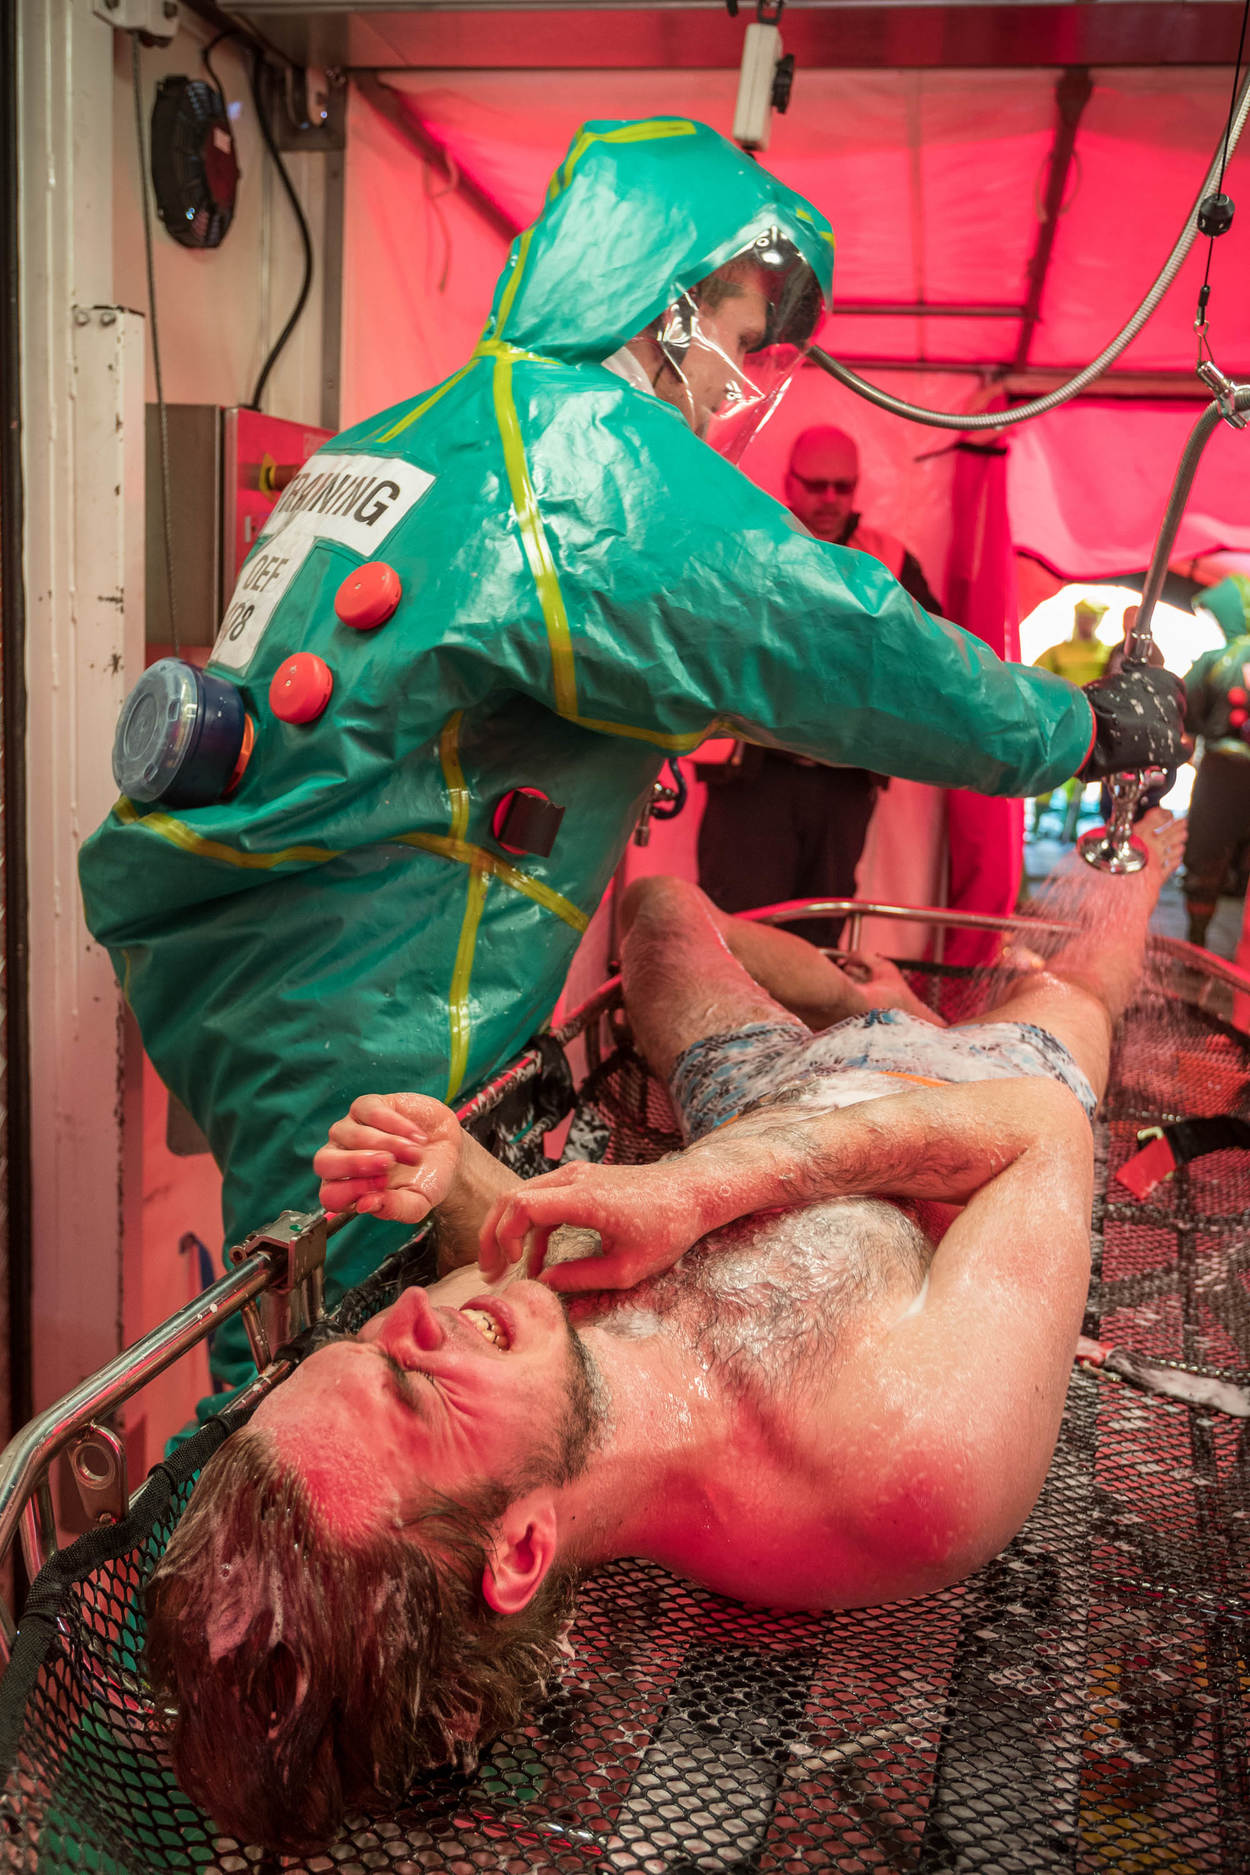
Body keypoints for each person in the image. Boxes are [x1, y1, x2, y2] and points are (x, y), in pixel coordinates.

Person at [78, 117, 1182, 1409]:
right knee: (330, 1381)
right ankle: (228, 1538)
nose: (735, 383)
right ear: (666, 304)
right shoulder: (581, 463)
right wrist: (1080, 728)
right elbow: (836, 641)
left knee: (292, 1321)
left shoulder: (409, 431)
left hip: (246, 963)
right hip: (368, 992)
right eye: (738, 333)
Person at [143, 809, 1186, 1853]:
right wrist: (694, 1188)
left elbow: (514, 1257)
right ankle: (1153, 833)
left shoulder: (510, 1376)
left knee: (658, 910)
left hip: (768, 1095)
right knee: (1079, 975)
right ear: (521, 1549)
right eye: (408, 1382)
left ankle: (862, 997)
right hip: (984, 1090)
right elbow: (1040, 1132)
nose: (414, 1312)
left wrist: (453, 1169)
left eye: (366, 1344)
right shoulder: (902, 1468)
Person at [697, 424, 942, 945]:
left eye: (842, 486)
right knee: (738, 931)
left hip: (842, 781)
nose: (829, 498)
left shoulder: (892, 561)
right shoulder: (747, 544)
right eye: (816, 484)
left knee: (821, 938)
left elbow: (935, 660)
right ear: (790, 481)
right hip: (754, 776)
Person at [1180, 575, 1250, 946]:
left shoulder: (1217, 659)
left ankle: (1196, 943)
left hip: (1222, 773)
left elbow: (1185, 707)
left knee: (1206, 855)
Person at [1032, 599, 1114, 840]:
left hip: (1089, 723)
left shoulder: (1106, 654)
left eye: (1090, 619)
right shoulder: (1058, 652)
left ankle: (1070, 830)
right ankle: (1035, 827)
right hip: (1059, 721)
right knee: (1048, 771)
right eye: (1082, 618)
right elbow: (1037, 677)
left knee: (1079, 777)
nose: (1085, 623)